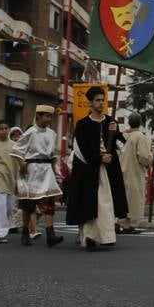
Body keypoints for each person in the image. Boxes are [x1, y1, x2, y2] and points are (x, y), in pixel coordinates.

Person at [66, 89, 122, 251]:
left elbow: (121, 145)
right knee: (90, 202)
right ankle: (89, 237)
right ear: (90, 103)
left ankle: (106, 236)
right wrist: (98, 158)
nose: (101, 103)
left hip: (107, 171)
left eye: (102, 100)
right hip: (88, 171)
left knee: (105, 203)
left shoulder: (110, 122)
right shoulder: (83, 124)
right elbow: (79, 150)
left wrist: (115, 132)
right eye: (97, 100)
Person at [15, 106, 65, 247]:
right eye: (46, 116)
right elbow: (16, 150)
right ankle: (25, 233)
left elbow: (53, 154)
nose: (49, 119)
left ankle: (51, 235)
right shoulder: (30, 132)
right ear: (38, 116)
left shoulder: (52, 133)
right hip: (32, 169)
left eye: (50, 116)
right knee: (28, 204)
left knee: (48, 203)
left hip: (46, 169)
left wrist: (56, 171)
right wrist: (22, 164)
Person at [0, 122, 23, 244]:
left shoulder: (15, 146)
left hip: (11, 179)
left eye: (6, 128)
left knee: (7, 208)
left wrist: (19, 183)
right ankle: (1, 233)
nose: (4, 131)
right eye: (1, 129)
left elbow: (18, 166)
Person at [119, 114, 154, 232]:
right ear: (140, 123)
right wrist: (153, 154)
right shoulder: (140, 136)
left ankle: (120, 222)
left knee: (122, 197)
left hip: (120, 170)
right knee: (132, 198)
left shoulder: (122, 136)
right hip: (133, 171)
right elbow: (144, 157)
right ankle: (126, 224)